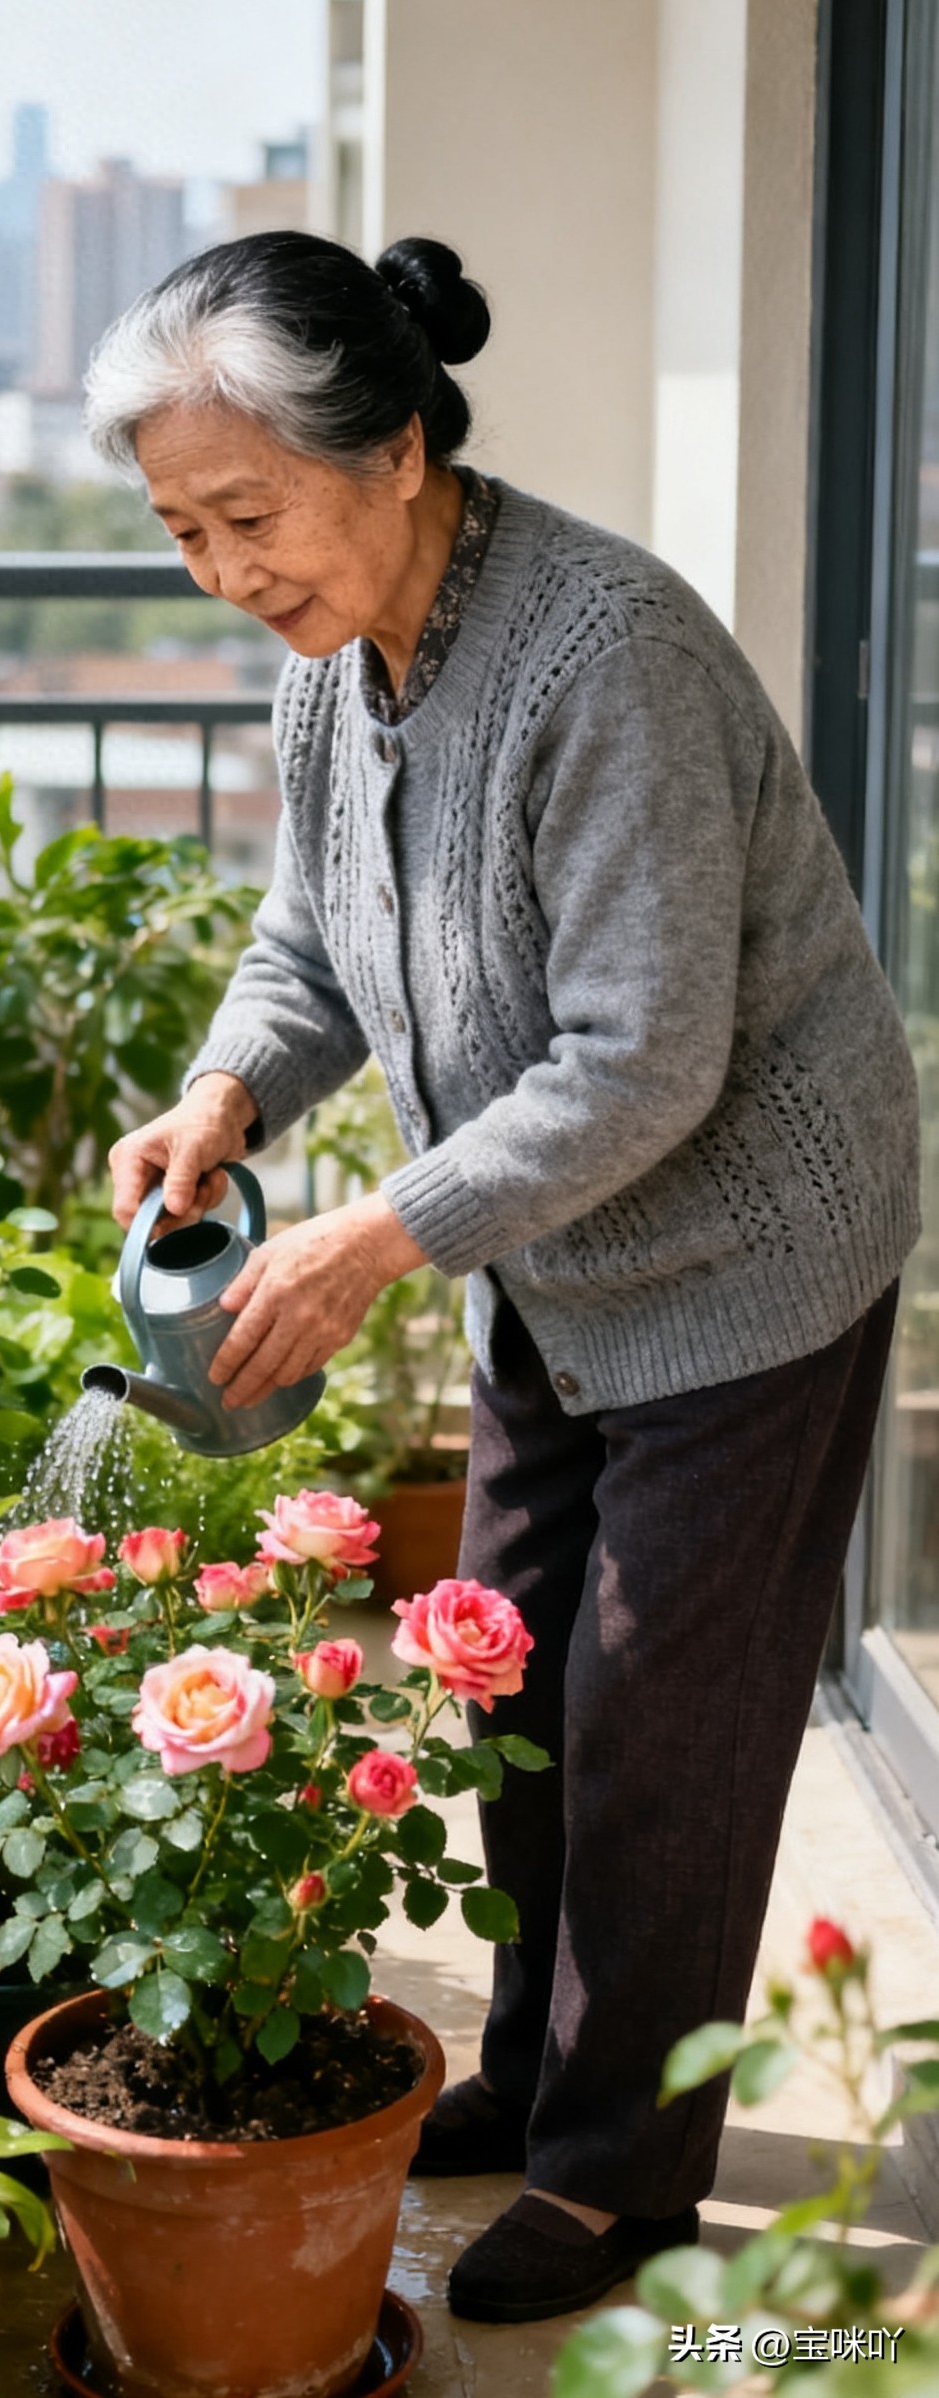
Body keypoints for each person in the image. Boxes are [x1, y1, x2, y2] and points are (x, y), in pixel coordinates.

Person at [91, 230, 921, 2327]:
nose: (221, 567)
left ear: (386, 450)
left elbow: (645, 1049)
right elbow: (308, 938)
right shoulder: (333, 664)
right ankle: (544, 2075)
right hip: (547, 1251)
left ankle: (620, 2175)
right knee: (510, 1679)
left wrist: (377, 1234)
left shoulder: (602, 648)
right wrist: (224, 1096)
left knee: (657, 1716)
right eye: (184, 527)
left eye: (246, 514)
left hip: (746, 1248)